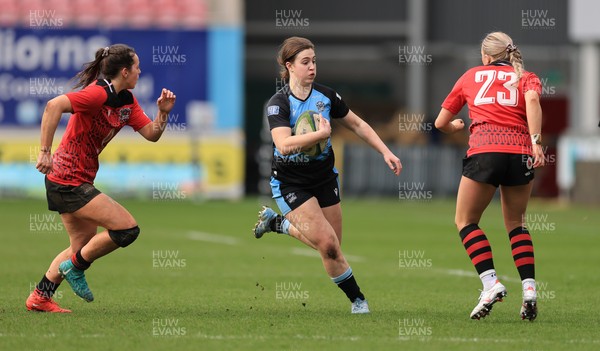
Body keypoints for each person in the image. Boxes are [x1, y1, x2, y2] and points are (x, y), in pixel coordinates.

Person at [253, 36, 402, 314]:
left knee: (334, 247)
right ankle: (359, 300)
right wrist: (320, 134)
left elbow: (357, 124)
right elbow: (283, 145)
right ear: (289, 66)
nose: (312, 67)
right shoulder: (279, 103)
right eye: (305, 62)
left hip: (323, 178)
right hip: (290, 182)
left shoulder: (326, 96)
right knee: (329, 246)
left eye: (314, 61)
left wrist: (385, 151)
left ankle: (279, 225)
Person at [26, 44, 176, 312]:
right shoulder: (97, 94)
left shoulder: (127, 101)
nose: (141, 72)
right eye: (137, 67)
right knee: (127, 229)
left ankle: (40, 296)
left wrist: (163, 113)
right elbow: (53, 106)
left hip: (77, 179)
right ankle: (74, 268)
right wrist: (45, 152)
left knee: (81, 246)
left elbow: (152, 134)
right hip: (67, 178)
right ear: (125, 71)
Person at [434, 32, 544, 321]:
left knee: (465, 221)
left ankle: (490, 283)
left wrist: (456, 126)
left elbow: (440, 122)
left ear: (485, 57)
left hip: (485, 150)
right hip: (520, 153)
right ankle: (530, 290)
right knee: (517, 225)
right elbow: (532, 101)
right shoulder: (527, 76)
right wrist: (536, 143)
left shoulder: (471, 75)